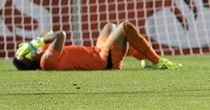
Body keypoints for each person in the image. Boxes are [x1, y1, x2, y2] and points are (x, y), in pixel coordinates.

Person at [13, 21, 182, 71]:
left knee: (109, 27)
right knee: (125, 27)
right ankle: (158, 62)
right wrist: (37, 43)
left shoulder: (43, 55)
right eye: (29, 52)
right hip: (104, 62)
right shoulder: (45, 62)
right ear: (32, 58)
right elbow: (59, 34)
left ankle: (145, 59)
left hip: (98, 52)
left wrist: (35, 43)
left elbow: (47, 31)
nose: (33, 50)